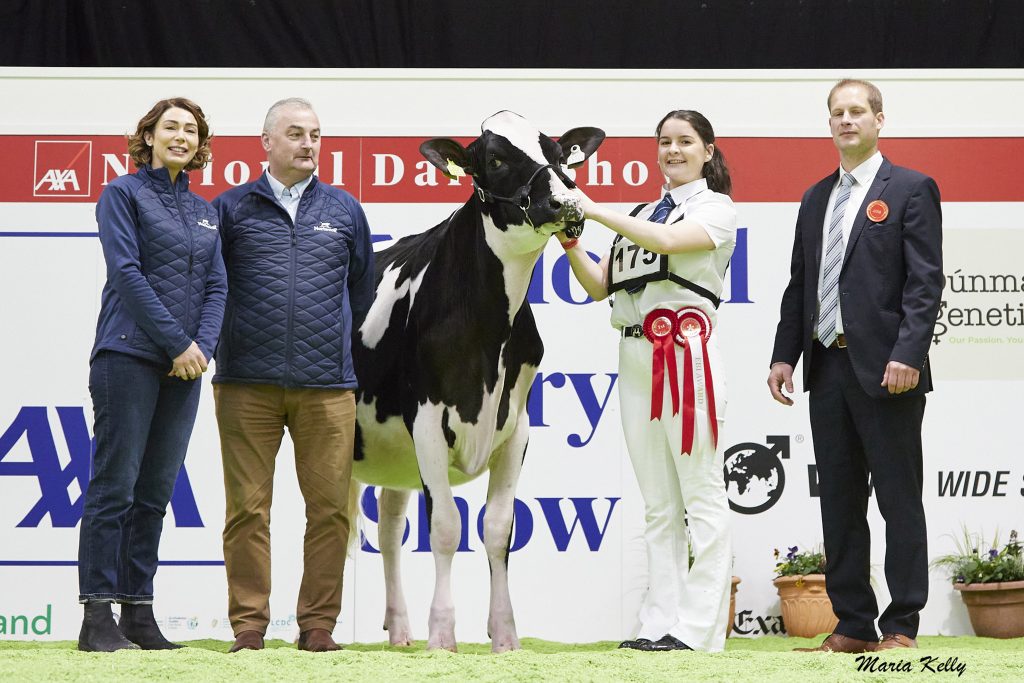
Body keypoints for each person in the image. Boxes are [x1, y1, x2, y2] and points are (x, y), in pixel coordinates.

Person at [768, 79, 943, 653]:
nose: (846, 120)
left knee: (897, 500)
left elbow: (924, 284)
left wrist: (907, 355)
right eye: (837, 113)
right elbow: (801, 284)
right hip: (828, 370)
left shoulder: (912, 189)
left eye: (857, 112)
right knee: (841, 502)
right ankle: (851, 625)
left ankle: (901, 625)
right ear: (830, 124)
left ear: (879, 119)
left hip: (889, 372)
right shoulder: (817, 197)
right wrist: (783, 355)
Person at [563, 110, 737, 652]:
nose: (673, 150)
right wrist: (571, 241)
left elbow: (665, 241)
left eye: (686, 141)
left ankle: (699, 629)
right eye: (665, 142)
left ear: (708, 150)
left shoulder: (716, 208)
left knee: (701, 494)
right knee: (659, 502)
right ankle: (660, 622)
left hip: (685, 352)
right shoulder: (641, 211)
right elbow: (600, 287)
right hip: (636, 352)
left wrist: (591, 209)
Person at [212, 97, 375, 653]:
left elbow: (361, 290)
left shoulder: (346, 210)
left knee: (330, 511)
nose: (309, 144)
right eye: (296, 133)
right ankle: (249, 628)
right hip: (243, 383)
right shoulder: (231, 208)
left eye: (316, 135)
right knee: (247, 512)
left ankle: (318, 628)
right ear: (267, 143)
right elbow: (213, 286)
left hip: (327, 387)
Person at [78, 97, 227, 651]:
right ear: (149, 136)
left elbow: (218, 285)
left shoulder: (205, 210)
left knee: (154, 493)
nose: (182, 136)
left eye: (191, 130)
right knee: (114, 487)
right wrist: (177, 343)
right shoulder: (122, 193)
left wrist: (201, 347)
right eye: (171, 127)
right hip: (126, 356)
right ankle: (97, 617)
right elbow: (126, 272)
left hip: (185, 368)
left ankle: (138, 613)